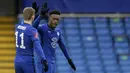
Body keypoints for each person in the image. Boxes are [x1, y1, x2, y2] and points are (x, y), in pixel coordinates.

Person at [14, 7, 48, 73]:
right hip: (27, 62)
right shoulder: (32, 30)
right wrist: (44, 59)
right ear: (33, 17)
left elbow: (28, 28)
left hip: (17, 61)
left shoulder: (18, 27)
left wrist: (40, 16)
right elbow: (37, 46)